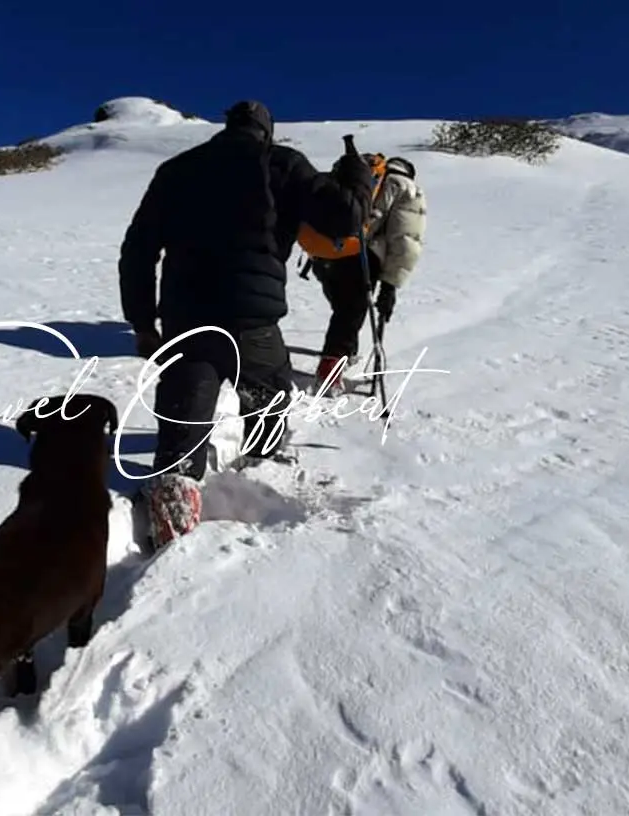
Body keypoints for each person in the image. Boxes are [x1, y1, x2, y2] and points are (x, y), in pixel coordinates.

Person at [118, 99, 374, 549]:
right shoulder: (283, 164)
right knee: (270, 393)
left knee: (184, 415)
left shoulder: (178, 170)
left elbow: (137, 252)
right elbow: (347, 219)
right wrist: (356, 177)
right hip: (252, 318)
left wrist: (142, 322)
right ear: (266, 131)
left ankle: (173, 498)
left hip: (187, 318)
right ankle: (262, 465)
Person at [306, 153, 427, 395]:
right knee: (350, 310)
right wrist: (390, 286)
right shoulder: (405, 187)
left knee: (345, 308)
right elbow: (405, 239)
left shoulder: (354, 177)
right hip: (359, 255)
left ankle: (347, 351)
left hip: (321, 252)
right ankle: (330, 372)